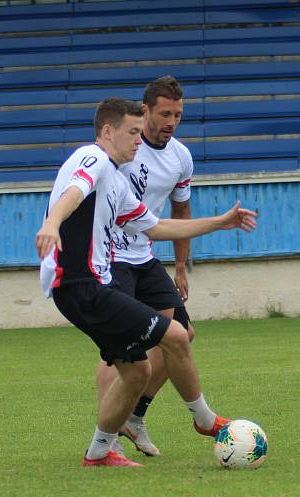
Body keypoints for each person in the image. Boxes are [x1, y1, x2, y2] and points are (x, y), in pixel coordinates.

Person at [36, 97, 257, 467]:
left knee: (138, 370)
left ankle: (100, 452)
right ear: (108, 131)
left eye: (141, 132)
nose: (139, 141)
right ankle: (204, 420)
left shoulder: (117, 183)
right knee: (175, 335)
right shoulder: (92, 159)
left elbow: (157, 226)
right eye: (133, 132)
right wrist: (52, 222)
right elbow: (75, 190)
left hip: (90, 287)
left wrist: (220, 221)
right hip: (81, 285)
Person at [94, 76, 195, 458]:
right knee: (118, 349)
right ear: (146, 109)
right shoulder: (124, 148)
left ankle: (133, 415)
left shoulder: (181, 157)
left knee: (180, 334)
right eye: (165, 113)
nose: (172, 121)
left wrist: (181, 266)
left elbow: (180, 210)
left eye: (179, 114)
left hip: (146, 257)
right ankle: (107, 439)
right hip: (111, 257)